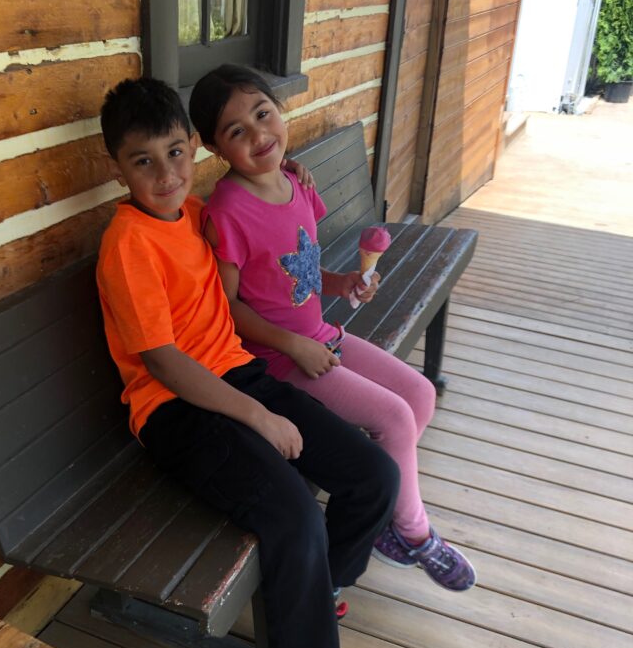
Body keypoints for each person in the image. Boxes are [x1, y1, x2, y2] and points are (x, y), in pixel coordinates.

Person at [96, 76, 400, 648]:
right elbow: (165, 362)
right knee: (293, 513)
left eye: (176, 153)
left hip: (240, 378)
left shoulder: (196, 212)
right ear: (118, 167)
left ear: (195, 149)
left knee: (373, 476)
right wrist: (259, 416)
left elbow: (255, 214)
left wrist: (283, 172)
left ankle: (319, 593)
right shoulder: (128, 244)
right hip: (175, 412)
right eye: (144, 162)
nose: (166, 174)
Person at [189, 64, 475, 592]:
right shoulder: (227, 211)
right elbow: (227, 307)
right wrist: (293, 343)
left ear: (280, 110)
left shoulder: (295, 182)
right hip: (276, 362)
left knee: (418, 393)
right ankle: (411, 534)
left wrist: (342, 283)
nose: (258, 135)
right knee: (393, 417)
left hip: (319, 336)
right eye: (236, 131)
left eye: (262, 113)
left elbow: (293, 267)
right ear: (214, 148)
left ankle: (389, 513)